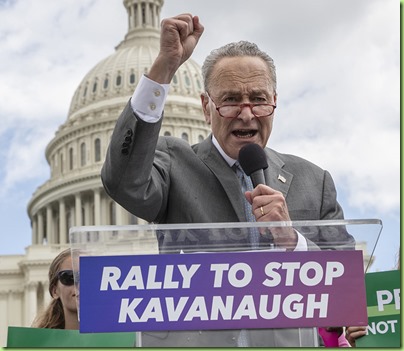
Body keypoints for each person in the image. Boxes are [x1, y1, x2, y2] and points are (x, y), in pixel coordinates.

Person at [101, 13, 355, 347]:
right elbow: (123, 181)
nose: (247, 113)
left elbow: (349, 286)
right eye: (231, 100)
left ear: (274, 103)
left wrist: (293, 242)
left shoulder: (314, 180)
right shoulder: (175, 163)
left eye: (259, 99)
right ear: (206, 108)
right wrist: (164, 67)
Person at [32, 248, 79, 330]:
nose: (79, 284)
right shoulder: (37, 342)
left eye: (88, 276)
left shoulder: (109, 339)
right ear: (54, 291)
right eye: (69, 277)